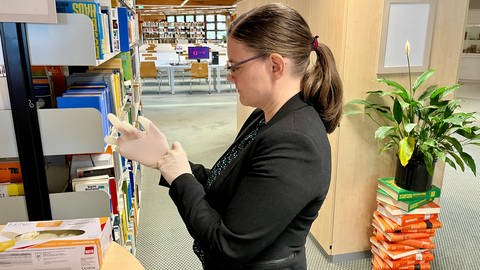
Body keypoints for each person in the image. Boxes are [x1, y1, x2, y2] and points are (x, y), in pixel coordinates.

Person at [106, 3, 343, 270]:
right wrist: (164, 160)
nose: (229, 77)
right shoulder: (265, 117)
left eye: (235, 67)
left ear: (275, 65)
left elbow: (227, 246)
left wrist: (180, 177)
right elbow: (229, 185)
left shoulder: (296, 143)